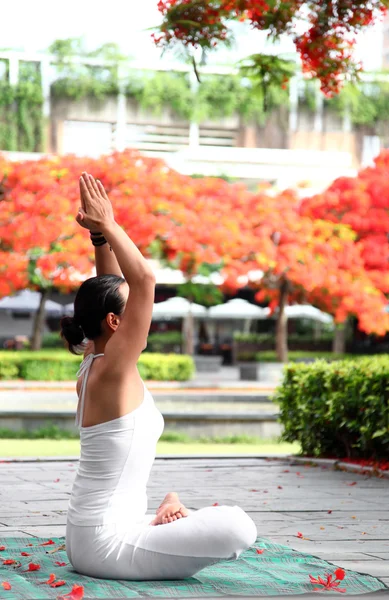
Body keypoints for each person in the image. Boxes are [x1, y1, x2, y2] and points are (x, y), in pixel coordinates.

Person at [61, 172, 257, 581]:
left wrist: (100, 238)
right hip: (105, 544)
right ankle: (172, 511)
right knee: (239, 527)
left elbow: (110, 285)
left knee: (212, 522)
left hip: (99, 534)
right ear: (115, 321)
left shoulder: (95, 362)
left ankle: (169, 511)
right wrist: (109, 223)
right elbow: (144, 280)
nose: (142, 317)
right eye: (131, 311)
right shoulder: (112, 370)